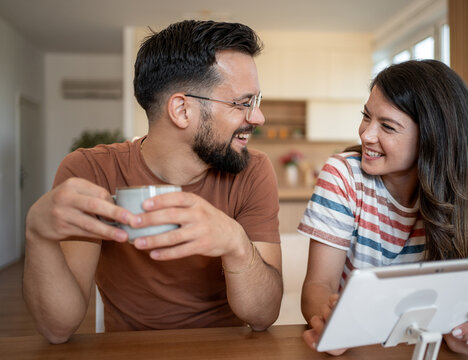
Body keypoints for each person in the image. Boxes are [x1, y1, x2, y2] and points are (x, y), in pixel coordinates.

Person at [23, 20, 283, 344]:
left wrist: (236, 243)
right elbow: (57, 329)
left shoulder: (253, 171)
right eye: (243, 103)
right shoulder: (91, 171)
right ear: (181, 109)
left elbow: (263, 317)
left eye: (255, 102)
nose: (257, 117)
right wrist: (38, 235)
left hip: (226, 349)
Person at [298, 60, 468, 356]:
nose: (366, 135)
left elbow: (458, 306)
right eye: (366, 116)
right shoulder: (343, 174)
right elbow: (319, 284)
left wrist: (465, 330)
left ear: (433, 140)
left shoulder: (456, 195)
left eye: (387, 126)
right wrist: (333, 324)